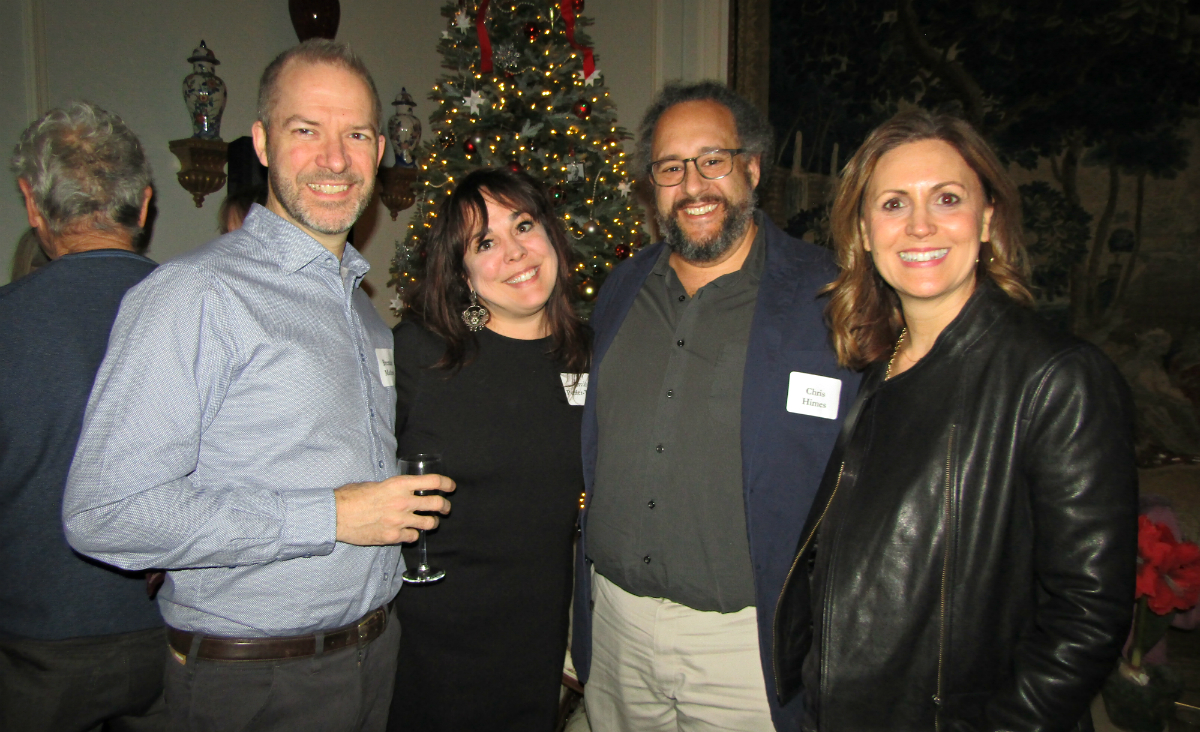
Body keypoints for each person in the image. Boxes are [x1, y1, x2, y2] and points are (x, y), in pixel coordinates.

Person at [63, 40, 454, 732]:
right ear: (264, 143)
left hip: (371, 657)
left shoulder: (362, 309)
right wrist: (328, 517)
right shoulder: (196, 294)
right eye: (307, 130)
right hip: (252, 682)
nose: (336, 159)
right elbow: (105, 512)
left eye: (356, 134)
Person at [773, 109, 1137, 731]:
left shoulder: (1056, 377)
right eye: (892, 204)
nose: (919, 226)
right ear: (863, 230)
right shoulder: (877, 365)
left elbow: (1087, 616)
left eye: (946, 198)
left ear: (988, 216)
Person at [573, 80, 859, 732]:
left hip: (744, 645)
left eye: (714, 160)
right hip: (616, 624)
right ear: (653, 185)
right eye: (672, 167)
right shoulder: (621, 289)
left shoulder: (827, 298)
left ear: (751, 168)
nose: (693, 184)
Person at [386, 168, 589, 731]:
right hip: (429, 646)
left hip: (536, 643)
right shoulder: (421, 353)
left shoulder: (591, 356)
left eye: (524, 225)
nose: (516, 253)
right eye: (486, 243)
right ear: (462, 272)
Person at [0, 102, 162, 732]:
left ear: (32, 205)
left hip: (35, 652)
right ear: (144, 205)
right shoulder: (211, 310)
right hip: (182, 641)